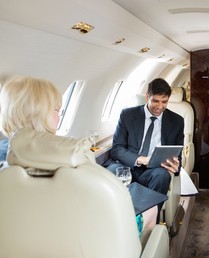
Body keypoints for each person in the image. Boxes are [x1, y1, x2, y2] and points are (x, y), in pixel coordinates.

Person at [0, 76, 156, 237]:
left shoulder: (5, 160)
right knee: (151, 209)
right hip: (84, 239)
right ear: (40, 114)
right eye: (56, 110)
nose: (59, 117)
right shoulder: (73, 155)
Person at [104, 78, 184, 217]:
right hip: (126, 166)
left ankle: (149, 221)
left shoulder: (176, 121)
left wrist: (176, 166)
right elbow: (117, 149)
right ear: (147, 96)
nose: (160, 106)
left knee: (162, 176)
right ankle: (115, 220)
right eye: (155, 101)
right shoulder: (127, 115)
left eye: (164, 102)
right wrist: (140, 159)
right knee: (110, 174)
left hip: (153, 171)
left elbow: (178, 156)